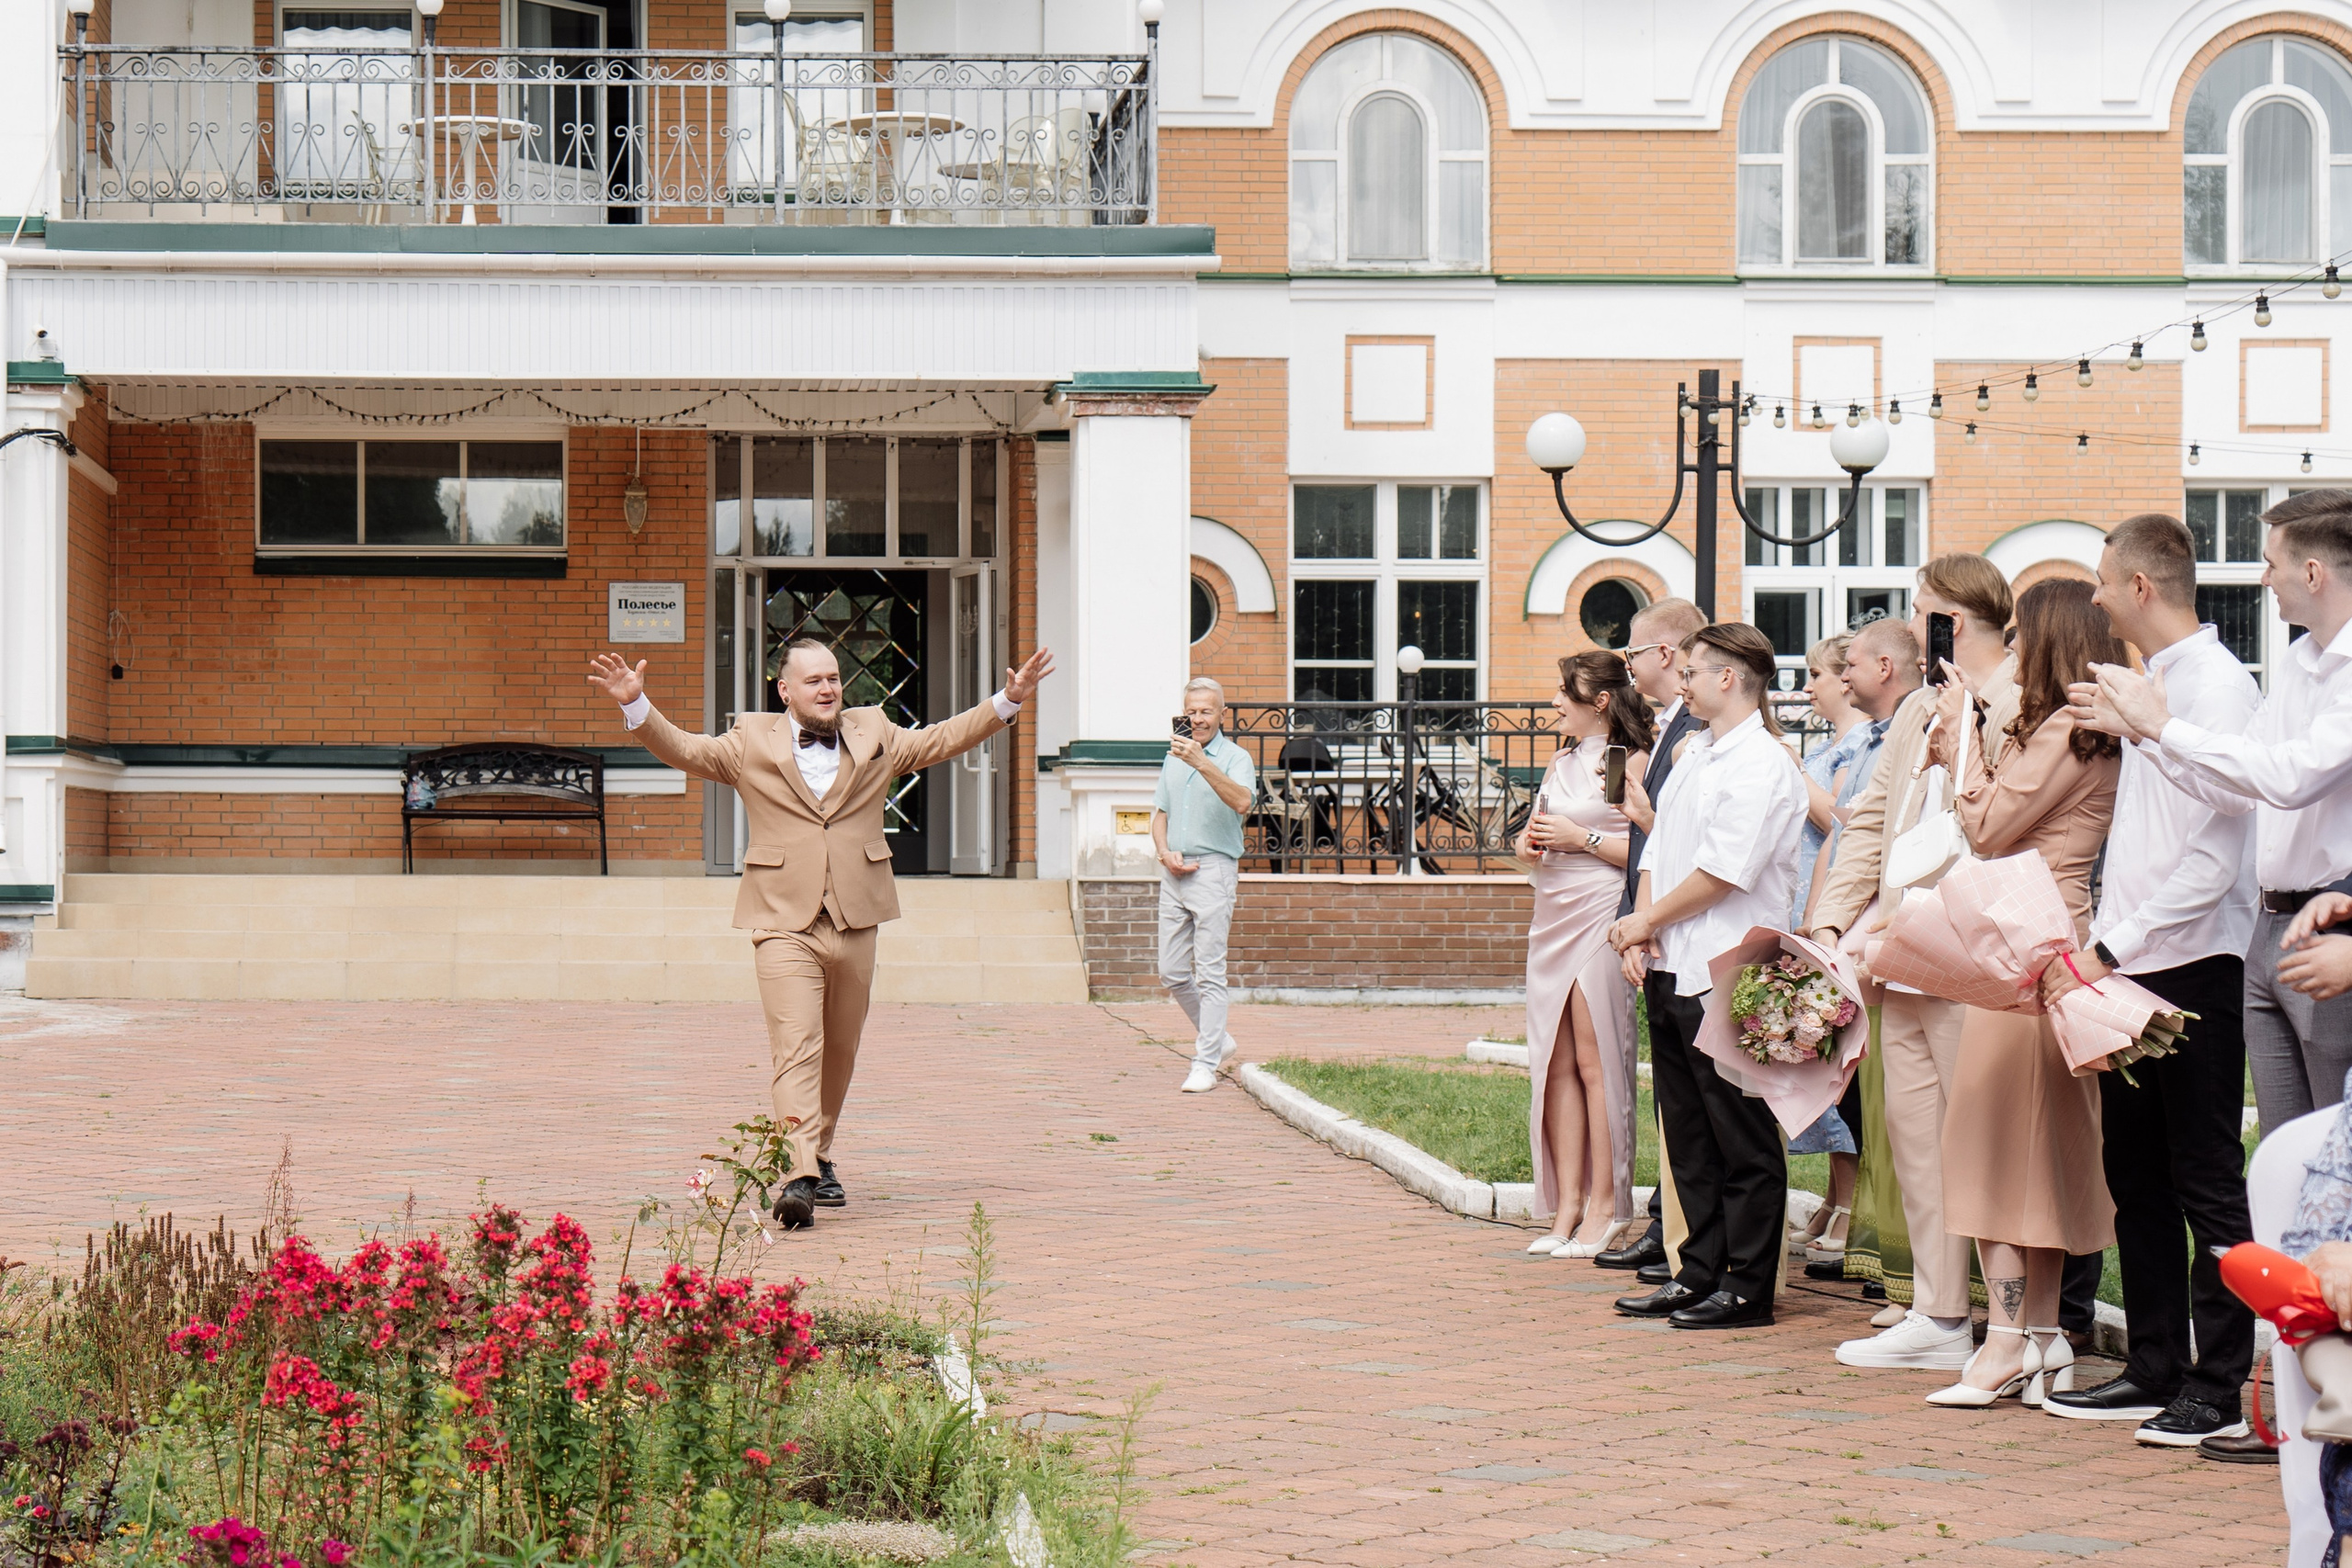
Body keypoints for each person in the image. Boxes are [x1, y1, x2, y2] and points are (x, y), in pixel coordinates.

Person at [587, 639, 1054, 1229]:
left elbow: (941, 738)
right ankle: (800, 1175)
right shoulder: (750, 739)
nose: (828, 688)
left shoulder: (874, 731)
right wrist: (637, 706)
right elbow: (686, 751)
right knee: (797, 1046)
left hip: (858, 914)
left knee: (840, 1049)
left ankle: (820, 1153)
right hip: (783, 918)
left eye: (834, 677)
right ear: (785, 690)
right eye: (813, 681)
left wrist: (1006, 701)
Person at [2032, 515, 2259, 1447]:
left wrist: (2110, 947)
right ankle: (2153, 1362)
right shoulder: (2149, 683)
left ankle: (2219, 1380)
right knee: (2135, 1172)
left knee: (2204, 1174)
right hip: (2129, 956)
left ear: (2138, 588)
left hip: (2190, 956)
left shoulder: (2217, 687)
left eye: (2099, 580)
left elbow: (2215, 852)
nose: (2091, 596)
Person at [2071, 491, 2352, 1135]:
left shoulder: (2325, 675)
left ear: (2312, 573)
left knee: (2334, 1156)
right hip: (2270, 925)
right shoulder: (2300, 665)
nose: (2264, 579)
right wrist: (2150, 734)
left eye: (2270, 563)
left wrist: (2159, 727)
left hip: (2330, 918)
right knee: (2284, 1153)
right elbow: (2241, 780)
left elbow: (2287, 778)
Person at [1813, 559, 2017, 1370]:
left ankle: (2016, 1322)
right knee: (1917, 1134)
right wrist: (1833, 921)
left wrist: (1969, 718)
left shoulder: (2013, 698)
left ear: (1956, 621)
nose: (1917, 622)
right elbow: (1874, 826)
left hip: (1974, 947)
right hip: (1898, 950)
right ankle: (1937, 1312)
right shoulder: (1916, 712)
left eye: (1926, 612)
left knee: (1981, 1141)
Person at [1924, 577, 2121, 1408]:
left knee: (1992, 1144)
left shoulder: (2063, 729)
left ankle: (2004, 1339)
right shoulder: (2088, 729)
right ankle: (2042, 1335)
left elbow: (1987, 824)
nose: (2012, 646)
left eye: (2021, 633)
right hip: (2054, 934)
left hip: (2024, 939)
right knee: (2038, 1152)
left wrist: (1958, 740)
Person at [1606, 624, 1808, 1330]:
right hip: (1672, 960)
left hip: (1730, 968)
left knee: (1741, 1133)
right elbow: (1661, 842)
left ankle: (1748, 1285)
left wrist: (1645, 920)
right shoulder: (1696, 751)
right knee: (1687, 1131)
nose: (1680, 681)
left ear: (1730, 678)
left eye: (1692, 671)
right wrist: (1648, 924)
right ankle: (1697, 1270)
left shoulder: (1763, 764)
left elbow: (1726, 872)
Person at [1516, 652, 1654, 1258]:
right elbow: (1540, 833)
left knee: (1598, 1059)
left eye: (1563, 692)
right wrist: (1530, 841)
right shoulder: (1559, 761)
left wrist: (1581, 838)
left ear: (1598, 700)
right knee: (1557, 1062)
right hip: (1551, 916)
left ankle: (1606, 1205)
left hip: (1599, 916)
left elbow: (1648, 849)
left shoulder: (1620, 762)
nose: (1553, 702)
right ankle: (1566, 1205)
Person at [1595, 597, 1713, 1278]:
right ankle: (1672, 1227)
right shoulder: (1667, 728)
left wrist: (1645, 810)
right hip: (1655, 922)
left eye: (1634, 652)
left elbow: (1685, 835)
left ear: (1665, 653)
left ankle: (1687, 1239)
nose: (1630, 663)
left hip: (1687, 929)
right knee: (1678, 1105)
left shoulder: (1699, 729)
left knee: (1704, 1108)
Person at [1786, 633, 1866, 1265]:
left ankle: (1851, 1198)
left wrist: (1795, 777)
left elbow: (1843, 822)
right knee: (1819, 1063)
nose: (1809, 686)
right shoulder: (1825, 747)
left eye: (1817, 674)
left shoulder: (1859, 748)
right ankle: (1835, 1192)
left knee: (1840, 1067)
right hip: (1806, 902)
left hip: (1834, 906)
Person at [1153, 677, 1257, 1095]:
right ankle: (1219, 1039)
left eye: (1206, 711)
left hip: (1213, 870)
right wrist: (1164, 852)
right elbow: (1160, 814)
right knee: (1172, 972)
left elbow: (1243, 802)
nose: (1197, 719)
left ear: (1221, 715)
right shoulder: (1172, 757)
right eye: (1191, 711)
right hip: (1174, 873)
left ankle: (1206, 1062)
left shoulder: (1235, 757)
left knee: (1211, 973)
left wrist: (1201, 761)